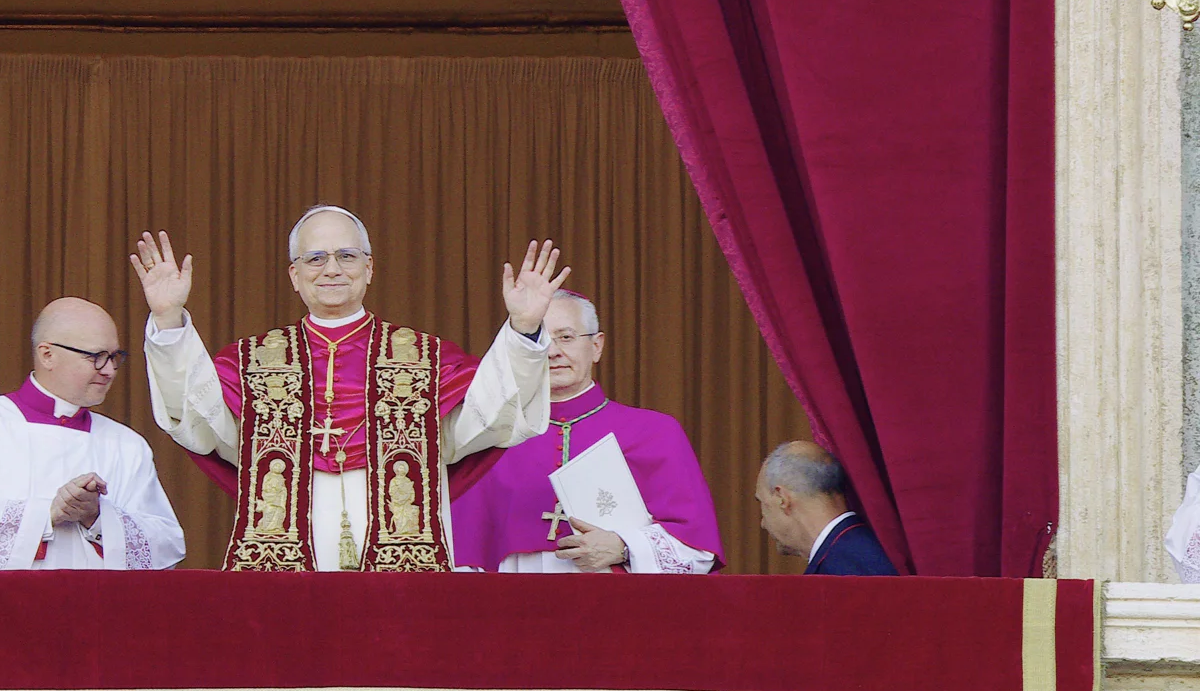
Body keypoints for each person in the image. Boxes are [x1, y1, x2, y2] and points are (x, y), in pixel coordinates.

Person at [132, 206, 566, 572]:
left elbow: (489, 417)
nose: (333, 268)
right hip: (288, 555)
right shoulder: (253, 362)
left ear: (370, 268)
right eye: (315, 258)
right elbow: (199, 422)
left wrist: (524, 329)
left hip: (402, 553)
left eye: (347, 255)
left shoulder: (423, 358)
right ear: (294, 275)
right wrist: (169, 321)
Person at [451, 291, 724, 573]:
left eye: (566, 337)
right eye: (540, 340)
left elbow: (696, 550)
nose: (553, 351)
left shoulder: (655, 432)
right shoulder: (491, 438)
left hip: (619, 608)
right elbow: (461, 553)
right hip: (514, 608)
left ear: (596, 346)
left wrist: (623, 546)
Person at [0, 298, 185, 569]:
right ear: (47, 354)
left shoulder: (127, 445)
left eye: (115, 357)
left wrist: (96, 517)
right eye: (96, 357)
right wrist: (47, 513)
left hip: (95, 607)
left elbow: (165, 544)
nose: (109, 370)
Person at [754, 440, 898, 575]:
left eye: (763, 504)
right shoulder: (872, 548)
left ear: (782, 499)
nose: (763, 524)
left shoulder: (841, 570)